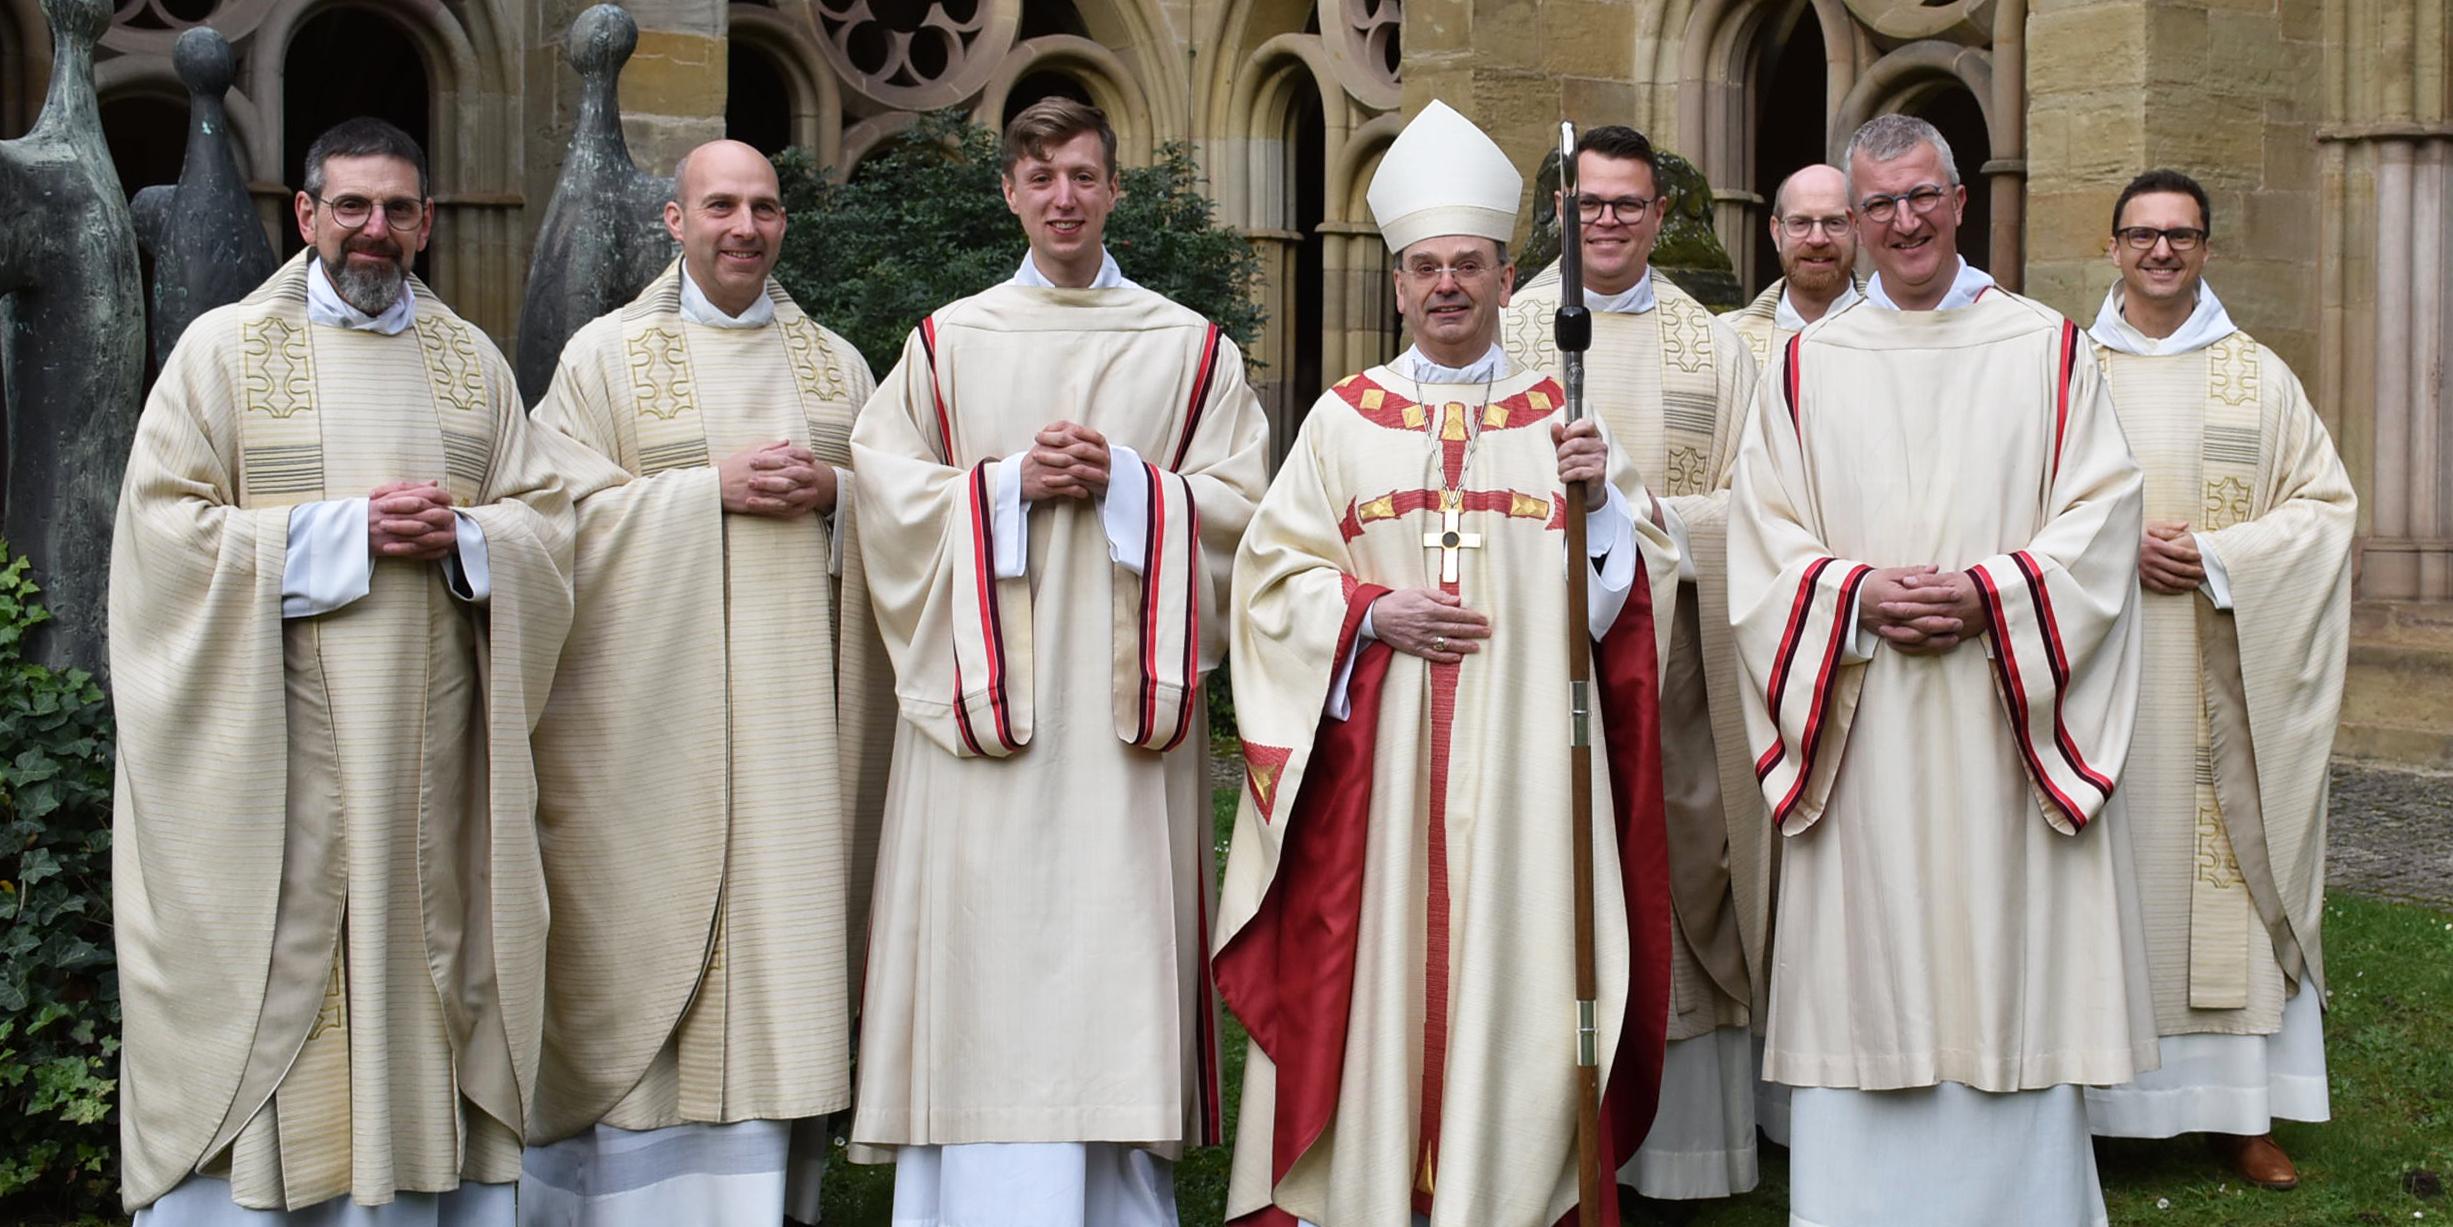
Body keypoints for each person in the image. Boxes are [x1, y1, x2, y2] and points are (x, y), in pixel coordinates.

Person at [1214, 99, 1683, 1227]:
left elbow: (1624, 608)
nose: (1444, 287)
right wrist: (1372, 613)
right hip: (1378, 793)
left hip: (1526, 780)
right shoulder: (1340, 422)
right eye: (1423, 268)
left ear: (1506, 273)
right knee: (1379, 985)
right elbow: (1268, 584)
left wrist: (1601, 503)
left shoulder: (1563, 420)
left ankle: (1506, 1193)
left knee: (1517, 980)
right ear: (1396, 280)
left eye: (1467, 267)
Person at [110, 117, 584, 1224]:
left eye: (400, 210)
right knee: (283, 975)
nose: (377, 232)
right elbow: (161, 539)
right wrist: (339, 536)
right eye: (354, 207)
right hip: (270, 774)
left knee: (431, 965)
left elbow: (545, 530)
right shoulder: (224, 352)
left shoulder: (471, 363)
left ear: (426, 222)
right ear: (306, 215)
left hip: (437, 770)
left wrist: (469, 541)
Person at [1727, 113, 2158, 1227]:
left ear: (1959, 202)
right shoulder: (1804, 366)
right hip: (1863, 728)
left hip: (1994, 723)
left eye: (1922, 197)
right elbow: (1761, 541)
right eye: (1878, 204)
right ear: (1854, 219)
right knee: (1864, 971)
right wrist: (1851, 594)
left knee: (2003, 965)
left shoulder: (2047, 348)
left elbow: (2103, 523)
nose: (1902, 222)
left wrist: (1993, 594)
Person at [845, 97, 1271, 1225]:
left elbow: (1245, 518)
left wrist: (1132, 486)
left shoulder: (1189, 351)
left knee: (1112, 964)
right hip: (991, 724)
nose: (1063, 199)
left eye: (1083, 177)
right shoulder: (947, 342)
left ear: (1112, 188)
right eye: (1040, 181)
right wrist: (1002, 491)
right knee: (991, 964)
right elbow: (884, 503)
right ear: (1009, 193)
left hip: (1121, 734)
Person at [516, 139, 894, 1226]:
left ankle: (770, 1199)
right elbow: (549, 521)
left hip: (791, 749)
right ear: (672, 224)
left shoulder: (835, 368)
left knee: (780, 965)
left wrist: (839, 493)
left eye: (764, 207)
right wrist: (700, 493)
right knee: (641, 959)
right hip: (647, 742)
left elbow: (903, 522)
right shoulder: (603, 360)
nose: (744, 227)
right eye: (719, 205)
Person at [1500, 123, 1768, 1201]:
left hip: (1678, 669)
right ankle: (1535, 1138)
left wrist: (1639, 514)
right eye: (1586, 203)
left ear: (1659, 216)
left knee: (1676, 861)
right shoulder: (1505, 330)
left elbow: (1765, 508)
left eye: (1626, 204)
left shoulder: (1718, 349)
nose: (1604, 221)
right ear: (1556, 214)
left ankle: (1681, 1153)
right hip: (1532, 658)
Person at [2078, 168, 2352, 1190]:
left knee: (2223, 875)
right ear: (2111, 247)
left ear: (2204, 249)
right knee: (2098, 881)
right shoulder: (2064, 367)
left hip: (2215, 676)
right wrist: (2114, 550)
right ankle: (2093, 1108)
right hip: (2096, 678)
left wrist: (2221, 557)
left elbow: (2324, 511)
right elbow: (2015, 505)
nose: (2159, 251)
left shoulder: (2257, 377)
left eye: (2178, 235)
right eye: (2140, 234)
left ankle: (2238, 1115)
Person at [1726, 164, 1863, 369]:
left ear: (1858, 229)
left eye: (1835, 222)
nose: (1817, 239)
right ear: (1776, 232)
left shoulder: (1894, 334)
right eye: (1800, 223)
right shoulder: (1726, 340)